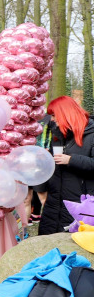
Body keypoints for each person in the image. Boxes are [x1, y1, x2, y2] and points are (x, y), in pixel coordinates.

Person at [38, 96, 94, 235]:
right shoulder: (58, 134)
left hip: (80, 203)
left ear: (65, 114)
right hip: (54, 202)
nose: (51, 119)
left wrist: (71, 160)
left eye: (53, 115)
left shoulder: (91, 135)